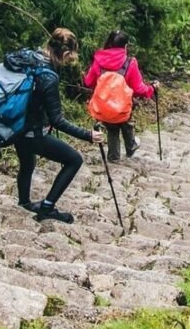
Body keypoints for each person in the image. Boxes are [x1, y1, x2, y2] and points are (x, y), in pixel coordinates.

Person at [12, 27, 102, 224]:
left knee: (28, 163)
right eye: (71, 56)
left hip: (16, 127)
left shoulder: (32, 58)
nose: (71, 61)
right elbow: (57, 120)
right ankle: (47, 208)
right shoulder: (49, 77)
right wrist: (88, 135)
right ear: (67, 53)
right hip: (33, 133)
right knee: (74, 160)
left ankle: (24, 203)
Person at [84, 30, 159, 162]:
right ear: (125, 46)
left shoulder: (98, 61)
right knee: (125, 119)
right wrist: (151, 89)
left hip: (103, 107)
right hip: (122, 108)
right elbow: (139, 89)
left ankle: (114, 156)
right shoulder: (130, 63)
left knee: (112, 128)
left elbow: (88, 82)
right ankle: (130, 146)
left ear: (109, 43)